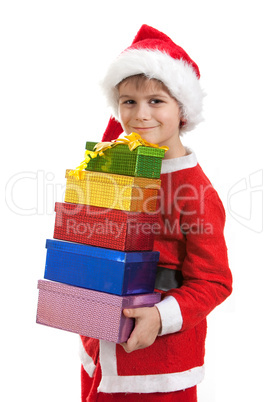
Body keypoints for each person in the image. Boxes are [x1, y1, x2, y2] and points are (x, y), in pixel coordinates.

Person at [80, 24, 232, 401]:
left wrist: (161, 317)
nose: (140, 114)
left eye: (156, 101)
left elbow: (215, 282)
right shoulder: (118, 163)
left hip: (156, 365)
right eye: (128, 101)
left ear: (182, 110)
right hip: (99, 345)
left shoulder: (196, 192)